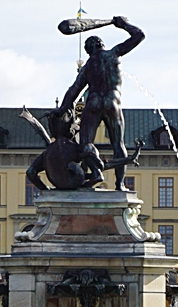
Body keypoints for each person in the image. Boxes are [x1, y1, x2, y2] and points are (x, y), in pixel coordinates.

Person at [53, 16, 145, 189]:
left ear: (90, 50)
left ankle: (92, 175)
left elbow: (74, 90)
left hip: (93, 102)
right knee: (118, 144)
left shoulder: (88, 66)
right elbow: (139, 35)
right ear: (101, 44)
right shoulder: (114, 54)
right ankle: (120, 185)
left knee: (86, 144)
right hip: (112, 101)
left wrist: (62, 109)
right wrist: (123, 24)